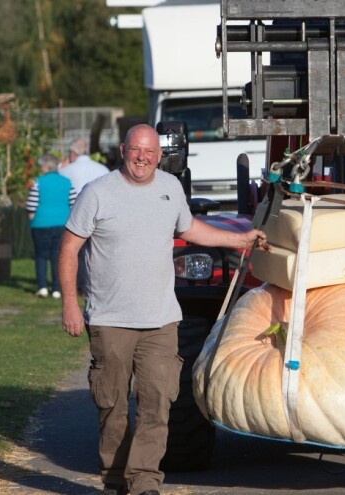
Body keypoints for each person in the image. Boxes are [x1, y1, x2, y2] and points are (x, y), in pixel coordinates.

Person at [58, 124, 269, 495]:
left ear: (159, 156)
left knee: (158, 404)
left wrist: (239, 239)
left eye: (150, 152)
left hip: (161, 321)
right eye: (136, 150)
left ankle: (144, 482)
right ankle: (115, 480)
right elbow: (69, 249)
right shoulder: (97, 193)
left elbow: (191, 230)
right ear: (124, 150)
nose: (142, 157)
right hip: (111, 321)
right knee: (113, 408)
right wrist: (70, 306)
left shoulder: (170, 189)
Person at [59, 138, 110, 293]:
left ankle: (79, 284)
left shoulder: (67, 170)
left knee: (76, 252)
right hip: (101, 213)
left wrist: (63, 163)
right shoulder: (102, 169)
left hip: (75, 215)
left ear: (72, 153)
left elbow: (57, 177)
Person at [26, 154, 76, 299]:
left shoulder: (38, 182)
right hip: (62, 224)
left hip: (41, 224)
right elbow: (73, 203)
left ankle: (42, 287)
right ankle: (56, 288)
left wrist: (32, 217)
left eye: (41, 166)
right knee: (57, 257)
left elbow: (31, 205)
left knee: (41, 256)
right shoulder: (67, 182)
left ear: (46, 167)